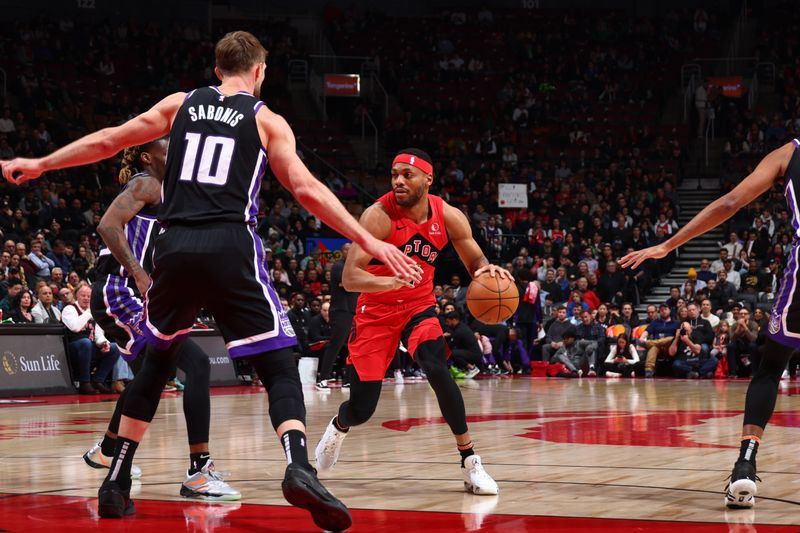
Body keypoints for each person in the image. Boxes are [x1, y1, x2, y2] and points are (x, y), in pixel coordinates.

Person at [2, 31, 417, 530]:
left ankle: (116, 479)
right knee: (277, 363)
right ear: (259, 71)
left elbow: (111, 139)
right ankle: (299, 467)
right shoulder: (265, 119)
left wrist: (41, 163)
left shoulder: (180, 105)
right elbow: (305, 188)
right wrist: (371, 243)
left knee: (156, 364)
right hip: (229, 246)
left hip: (173, 249)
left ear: (217, 69)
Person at [314, 148, 508, 496]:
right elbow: (350, 278)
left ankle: (470, 462)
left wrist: (486, 270)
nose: (399, 181)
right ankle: (339, 426)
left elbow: (474, 258)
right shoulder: (377, 217)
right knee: (362, 408)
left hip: (418, 306)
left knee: (436, 366)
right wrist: (388, 282)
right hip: (375, 312)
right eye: (394, 175)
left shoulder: (448, 216)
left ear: (428, 180)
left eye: (407, 175)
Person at [621, 137, 800, 510]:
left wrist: (668, 245)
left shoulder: (788, 153)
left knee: (770, 370)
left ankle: (744, 467)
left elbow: (731, 203)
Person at [82, 139, 239, 501]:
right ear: (147, 157)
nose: (179, 157)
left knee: (149, 378)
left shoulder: (172, 194)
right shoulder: (145, 183)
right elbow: (107, 226)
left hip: (142, 296)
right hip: (119, 291)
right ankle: (199, 470)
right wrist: (138, 273)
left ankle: (108, 450)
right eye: (170, 151)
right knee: (196, 364)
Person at [62, 284, 121, 394]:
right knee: (85, 343)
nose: (86, 298)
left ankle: (98, 380)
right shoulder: (69, 309)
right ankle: (85, 382)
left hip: (89, 348)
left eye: (89, 296)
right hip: (73, 349)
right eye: (83, 295)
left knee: (114, 347)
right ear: (76, 296)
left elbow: (98, 334)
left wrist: (103, 343)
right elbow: (75, 327)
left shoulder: (93, 312)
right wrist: (88, 312)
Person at [316, 243, 358, 389]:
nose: (350, 251)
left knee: (351, 347)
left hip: (352, 311)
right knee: (335, 345)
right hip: (341, 310)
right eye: (347, 249)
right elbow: (346, 284)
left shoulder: (354, 267)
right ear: (342, 251)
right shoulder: (339, 266)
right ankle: (323, 378)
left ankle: (348, 379)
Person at [443, 311, 482, 378]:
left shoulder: (459, 330)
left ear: (454, 320)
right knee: (453, 352)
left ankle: (472, 368)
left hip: (474, 355)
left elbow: (450, 346)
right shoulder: (461, 326)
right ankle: (465, 369)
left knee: (451, 353)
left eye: (448, 321)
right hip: (472, 353)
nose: (447, 324)